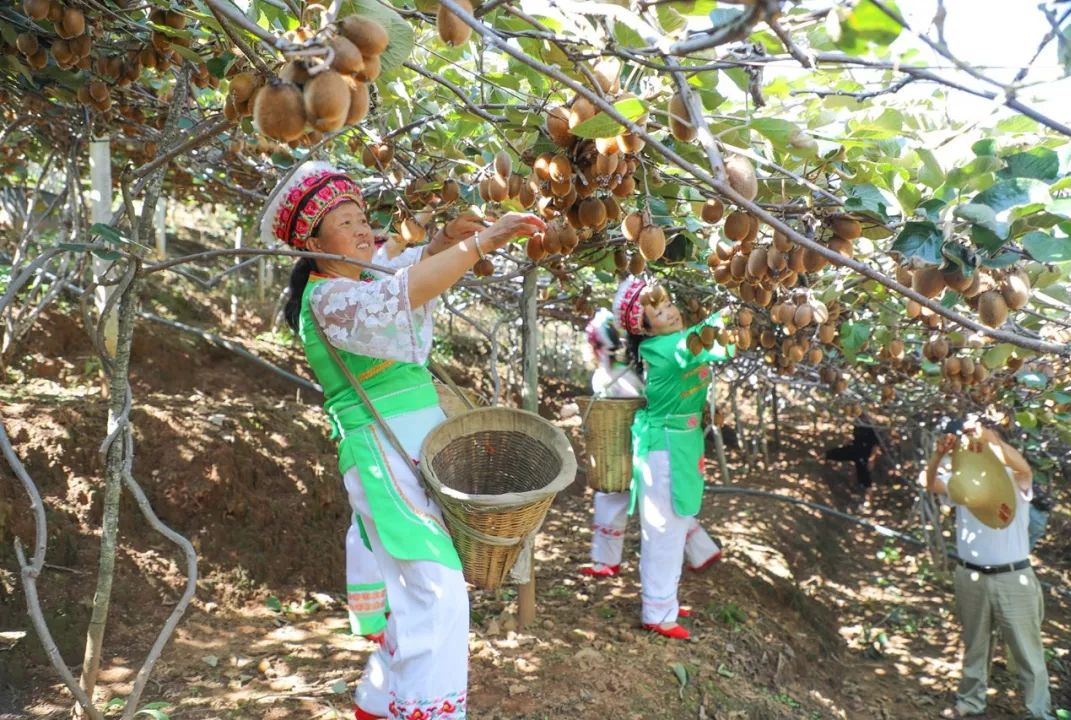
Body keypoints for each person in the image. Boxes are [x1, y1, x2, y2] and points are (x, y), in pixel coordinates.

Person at [265, 160, 544, 720]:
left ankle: (377, 701)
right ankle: (424, 711)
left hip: (413, 452)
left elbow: (403, 268)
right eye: (345, 222)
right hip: (381, 457)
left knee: (422, 590)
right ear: (314, 243)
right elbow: (405, 288)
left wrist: (445, 239)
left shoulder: (357, 279)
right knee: (436, 592)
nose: (364, 229)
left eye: (363, 216)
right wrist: (478, 244)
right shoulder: (329, 300)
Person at [613, 277, 735, 640]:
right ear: (645, 329)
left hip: (679, 442)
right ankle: (657, 613)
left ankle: (665, 600)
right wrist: (736, 310)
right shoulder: (669, 348)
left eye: (668, 304)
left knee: (675, 519)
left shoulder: (668, 343)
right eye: (660, 312)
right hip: (664, 448)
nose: (671, 312)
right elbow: (708, 337)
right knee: (663, 532)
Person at [924, 418, 1054, 720]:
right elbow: (930, 483)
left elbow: (1024, 467)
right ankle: (971, 703)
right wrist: (939, 455)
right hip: (971, 575)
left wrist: (989, 437)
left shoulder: (1014, 478)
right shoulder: (964, 482)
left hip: (1013, 577)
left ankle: (1038, 712)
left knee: (1027, 652)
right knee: (975, 645)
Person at [580, 308, 724, 579]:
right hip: (640, 441)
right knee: (665, 505)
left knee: (627, 502)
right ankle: (701, 550)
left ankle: (606, 560)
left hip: (628, 444)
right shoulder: (624, 371)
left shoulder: (612, 375)